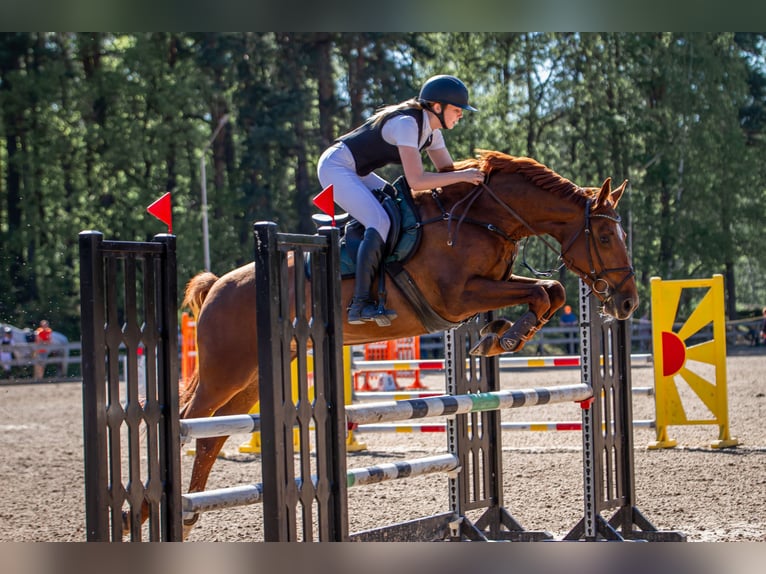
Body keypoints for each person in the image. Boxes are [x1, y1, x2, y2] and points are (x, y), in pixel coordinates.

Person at [317, 74, 485, 325]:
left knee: (396, 203)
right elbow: (416, 180)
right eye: (456, 109)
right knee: (380, 220)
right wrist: (466, 175)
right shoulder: (407, 124)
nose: (460, 114)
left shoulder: (432, 133)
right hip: (335, 166)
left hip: (357, 171)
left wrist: (478, 179)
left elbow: (447, 174)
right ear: (436, 107)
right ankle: (360, 303)